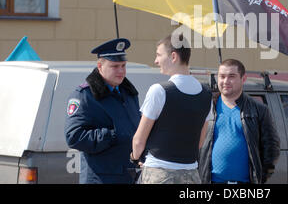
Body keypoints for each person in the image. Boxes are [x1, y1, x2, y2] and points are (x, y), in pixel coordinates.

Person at [131, 33, 212, 184]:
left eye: (159, 55)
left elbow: (138, 141)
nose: (156, 61)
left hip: (159, 174)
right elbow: (200, 142)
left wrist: (135, 158)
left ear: (173, 56)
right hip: (192, 174)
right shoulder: (206, 94)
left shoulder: (159, 90)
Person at [64, 38, 141, 184]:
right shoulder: (85, 95)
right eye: (115, 66)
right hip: (101, 178)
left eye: (123, 65)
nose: (121, 71)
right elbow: (74, 136)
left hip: (129, 176)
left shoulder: (129, 93)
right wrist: (112, 135)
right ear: (100, 66)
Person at [198, 59, 280, 184]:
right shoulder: (206, 108)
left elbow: (271, 148)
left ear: (243, 79)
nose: (225, 81)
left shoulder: (259, 110)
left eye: (231, 76)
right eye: (222, 76)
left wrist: (260, 178)